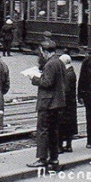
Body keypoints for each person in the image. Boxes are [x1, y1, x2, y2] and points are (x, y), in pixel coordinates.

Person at [28, 40, 66, 169]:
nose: (42, 55)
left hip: (48, 103)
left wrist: (34, 78)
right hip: (57, 103)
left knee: (43, 131)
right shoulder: (60, 62)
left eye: (42, 52)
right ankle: (54, 158)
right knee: (53, 131)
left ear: (45, 51)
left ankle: (42, 158)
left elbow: (47, 83)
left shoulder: (50, 64)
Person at [58, 54, 78, 153]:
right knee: (69, 125)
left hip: (66, 104)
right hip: (71, 103)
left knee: (62, 124)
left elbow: (66, 89)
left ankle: (61, 146)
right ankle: (68, 145)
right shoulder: (71, 72)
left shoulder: (68, 74)